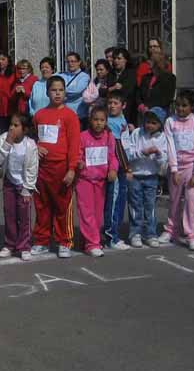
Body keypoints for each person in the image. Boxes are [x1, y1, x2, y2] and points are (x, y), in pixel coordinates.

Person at [31, 76, 82, 258]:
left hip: (61, 168)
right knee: (42, 205)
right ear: (47, 92)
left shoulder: (70, 116)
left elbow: (75, 144)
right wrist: (36, 147)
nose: (57, 93)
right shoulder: (39, 115)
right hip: (42, 169)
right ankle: (41, 240)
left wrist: (72, 168)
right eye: (54, 90)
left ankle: (64, 241)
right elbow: (33, 140)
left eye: (61, 90)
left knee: (62, 206)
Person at [160, 90, 194, 251]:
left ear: (192, 106)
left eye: (184, 106)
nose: (180, 109)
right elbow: (170, 146)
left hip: (192, 167)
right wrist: (173, 169)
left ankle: (193, 235)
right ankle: (171, 230)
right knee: (174, 199)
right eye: (178, 105)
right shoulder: (170, 122)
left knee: (191, 201)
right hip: (176, 167)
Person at [0, 111, 38, 261]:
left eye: (16, 125)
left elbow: (32, 168)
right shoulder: (4, 138)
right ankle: (10, 244)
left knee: (24, 217)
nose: (12, 128)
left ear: (24, 129)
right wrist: (7, 144)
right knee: (10, 214)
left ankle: (24, 246)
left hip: (23, 185)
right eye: (11, 124)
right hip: (9, 183)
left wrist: (28, 188)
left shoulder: (30, 145)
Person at [122, 107, 169, 247]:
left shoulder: (163, 137)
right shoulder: (137, 133)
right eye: (148, 122)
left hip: (151, 177)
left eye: (154, 123)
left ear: (160, 124)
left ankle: (150, 233)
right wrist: (143, 152)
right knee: (135, 205)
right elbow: (129, 153)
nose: (149, 125)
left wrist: (158, 154)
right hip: (136, 175)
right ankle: (135, 233)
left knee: (150, 206)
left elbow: (164, 159)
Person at [76, 105, 118, 257]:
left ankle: (87, 240)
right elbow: (78, 154)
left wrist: (113, 169)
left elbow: (113, 156)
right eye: (95, 120)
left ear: (106, 121)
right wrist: (79, 162)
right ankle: (93, 242)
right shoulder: (83, 136)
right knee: (86, 212)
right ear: (90, 120)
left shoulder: (109, 137)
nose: (98, 123)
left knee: (97, 213)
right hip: (84, 180)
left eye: (102, 120)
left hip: (101, 181)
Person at [103, 91, 131, 250]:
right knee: (113, 202)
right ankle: (111, 236)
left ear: (123, 105)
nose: (112, 106)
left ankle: (114, 233)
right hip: (116, 166)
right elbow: (118, 146)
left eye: (116, 103)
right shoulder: (110, 123)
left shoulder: (121, 120)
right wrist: (127, 167)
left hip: (122, 166)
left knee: (120, 201)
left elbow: (125, 144)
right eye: (110, 103)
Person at [137, 42, 176, 115]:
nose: (148, 64)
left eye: (151, 61)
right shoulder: (145, 77)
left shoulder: (170, 78)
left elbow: (167, 98)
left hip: (159, 113)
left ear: (157, 63)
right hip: (143, 113)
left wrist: (150, 107)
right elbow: (138, 94)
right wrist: (141, 105)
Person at [61, 52, 92, 127]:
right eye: (68, 62)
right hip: (65, 114)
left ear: (79, 62)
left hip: (79, 115)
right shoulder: (62, 75)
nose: (70, 64)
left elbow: (77, 90)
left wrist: (62, 91)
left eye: (73, 61)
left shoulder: (84, 76)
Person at [107, 48, 138, 122]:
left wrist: (113, 89)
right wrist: (114, 88)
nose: (116, 61)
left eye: (119, 58)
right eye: (114, 58)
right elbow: (105, 91)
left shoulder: (131, 73)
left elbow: (128, 90)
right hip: (112, 109)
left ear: (125, 60)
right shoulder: (111, 74)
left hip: (128, 110)